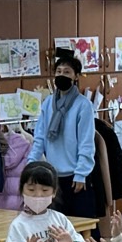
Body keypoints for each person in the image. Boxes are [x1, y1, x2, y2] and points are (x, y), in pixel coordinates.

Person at [27, 50, 97, 222]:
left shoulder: (83, 105)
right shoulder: (48, 103)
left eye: (67, 72)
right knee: (56, 225)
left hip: (76, 176)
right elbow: (40, 138)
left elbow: (86, 142)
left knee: (80, 226)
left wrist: (81, 173)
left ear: (76, 76)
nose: (62, 75)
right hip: (53, 177)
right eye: (58, 71)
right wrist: (30, 164)